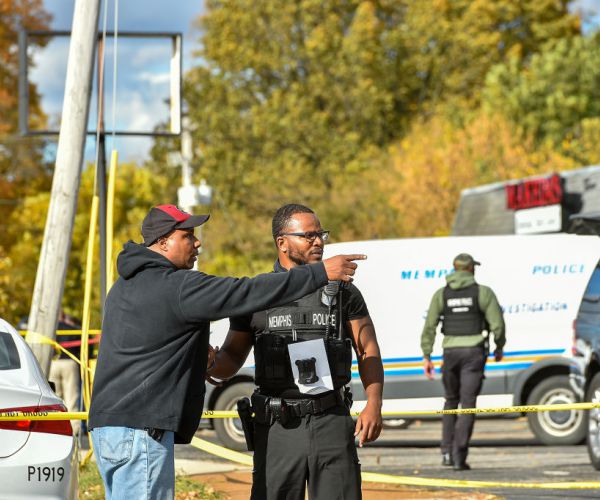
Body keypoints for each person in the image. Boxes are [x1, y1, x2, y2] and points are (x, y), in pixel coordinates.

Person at [88, 204, 364, 500]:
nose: (197, 243)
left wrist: (196, 355)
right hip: (141, 431)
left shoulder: (124, 286)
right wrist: (320, 272)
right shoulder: (176, 286)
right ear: (164, 242)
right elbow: (245, 293)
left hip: (108, 429)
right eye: (188, 235)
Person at [207, 203, 384, 500]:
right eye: (309, 236)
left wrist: (374, 403)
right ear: (282, 243)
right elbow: (231, 359)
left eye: (321, 234)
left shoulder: (342, 291)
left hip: (331, 419)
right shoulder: (257, 294)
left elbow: (367, 348)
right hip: (277, 426)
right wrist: (209, 363)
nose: (319, 241)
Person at [420, 253, 505, 471]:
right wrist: (499, 346)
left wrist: (427, 355)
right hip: (473, 353)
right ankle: (459, 457)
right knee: (467, 405)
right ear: (470, 269)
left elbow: (429, 326)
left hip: (450, 352)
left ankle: (446, 452)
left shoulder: (442, 294)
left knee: (450, 401)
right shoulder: (483, 292)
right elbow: (497, 324)